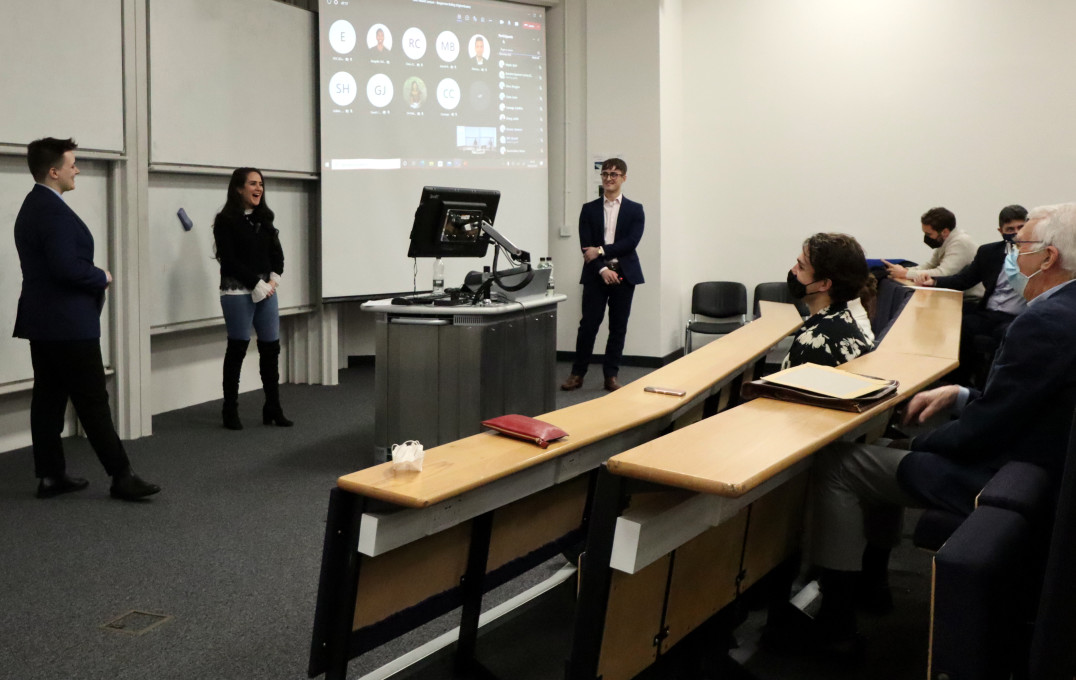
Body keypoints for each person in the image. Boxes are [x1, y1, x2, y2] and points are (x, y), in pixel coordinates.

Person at [807, 203, 1076, 654]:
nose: (1011, 256)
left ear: (1048, 258)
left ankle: (836, 620)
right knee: (899, 438)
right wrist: (962, 396)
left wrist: (924, 445)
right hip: (1036, 463)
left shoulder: (1045, 322)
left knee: (842, 462)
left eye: (1019, 245)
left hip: (1010, 481)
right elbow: (1023, 403)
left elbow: (981, 435)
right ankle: (873, 584)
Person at [12, 137, 160, 500]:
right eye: (72, 164)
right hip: (67, 324)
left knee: (48, 398)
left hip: (43, 322)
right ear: (53, 171)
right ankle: (121, 475)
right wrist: (102, 276)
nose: (76, 169)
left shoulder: (33, 205)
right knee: (92, 399)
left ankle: (50, 475)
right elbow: (65, 268)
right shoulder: (52, 211)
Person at [213, 168, 293, 430]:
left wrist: (272, 281)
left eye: (261, 184)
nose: (258, 188)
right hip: (238, 290)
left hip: (266, 291)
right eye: (252, 184)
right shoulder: (225, 221)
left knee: (271, 350)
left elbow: (277, 257)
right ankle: (230, 410)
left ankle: (273, 407)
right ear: (239, 188)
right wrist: (255, 284)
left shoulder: (265, 219)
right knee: (237, 349)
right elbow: (230, 260)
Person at [915, 204, 1028, 386]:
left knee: (1005, 334)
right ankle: (956, 384)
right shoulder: (989, 252)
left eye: (1021, 228)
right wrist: (934, 282)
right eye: (1010, 229)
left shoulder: (1039, 254)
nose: (1016, 233)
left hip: (1017, 316)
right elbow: (964, 279)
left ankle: (990, 388)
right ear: (1000, 231)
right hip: (989, 312)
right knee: (958, 325)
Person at [561, 158, 644, 392]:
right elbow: (585, 246)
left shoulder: (635, 209)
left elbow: (631, 242)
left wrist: (601, 249)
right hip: (596, 274)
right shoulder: (589, 209)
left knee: (618, 327)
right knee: (588, 325)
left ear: (623, 178)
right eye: (605, 173)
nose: (609, 178)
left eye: (614, 174)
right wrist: (602, 267)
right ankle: (577, 374)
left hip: (625, 274)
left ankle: (611, 376)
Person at [783, 233, 876, 368]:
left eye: (801, 267)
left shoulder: (815, 342)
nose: (793, 270)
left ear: (824, 284)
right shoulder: (844, 320)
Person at [882, 207, 981, 295]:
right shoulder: (944, 240)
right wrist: (905, 270)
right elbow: (931, 265)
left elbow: (943, 274)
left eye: (929, 234)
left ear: (944, 232)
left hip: (970, 299)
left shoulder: (960, 242)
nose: (927, 237)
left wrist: (905, 274)